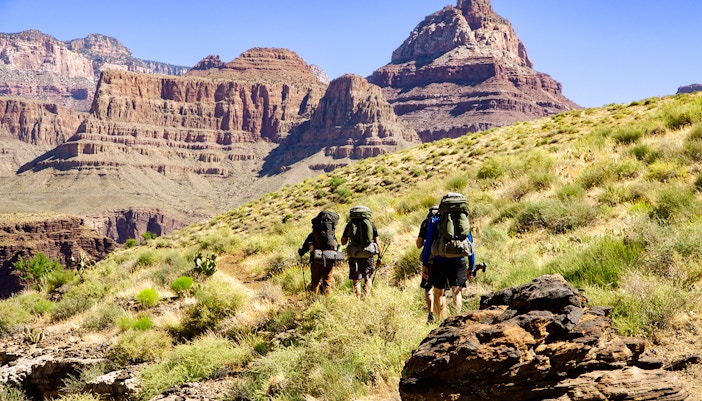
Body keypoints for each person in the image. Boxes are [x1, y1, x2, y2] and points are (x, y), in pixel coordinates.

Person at [421, 194, 474, 321]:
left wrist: (425, 263)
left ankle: (439, 323)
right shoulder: (464, 221)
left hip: (439, 261)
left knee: (438, 292)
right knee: (457, 291)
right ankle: (457, 319)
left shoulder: (435, 221)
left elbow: (428, 244)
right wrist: (471, 266)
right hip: (459, 261)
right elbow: (470, 244)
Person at [341, 205, 381, 298]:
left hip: (354, 255)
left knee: (356, 279)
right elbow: (377, 242)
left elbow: (343, 242)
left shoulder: (349, 224)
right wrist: (380, 256)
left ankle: (357, 299)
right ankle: (366, 297)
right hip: (368, 254)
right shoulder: (371, 224)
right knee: (368, 277)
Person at [298, 210, 341, 295]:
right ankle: (327, 302)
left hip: (316, 260)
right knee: (327, 282)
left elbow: (304, 249)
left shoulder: (313, 234)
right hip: (329, 260)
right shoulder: (331, 236)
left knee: (315, 282)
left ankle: (314, 300)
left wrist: (301, 252)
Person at [416, 206, 439, 323]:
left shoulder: (426, 223)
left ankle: (430, 314)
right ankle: (440, 317)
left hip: (428, 259)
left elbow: (419, 245)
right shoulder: (444, 221)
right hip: (442, 259)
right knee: (441, 291)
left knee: (428, 288)